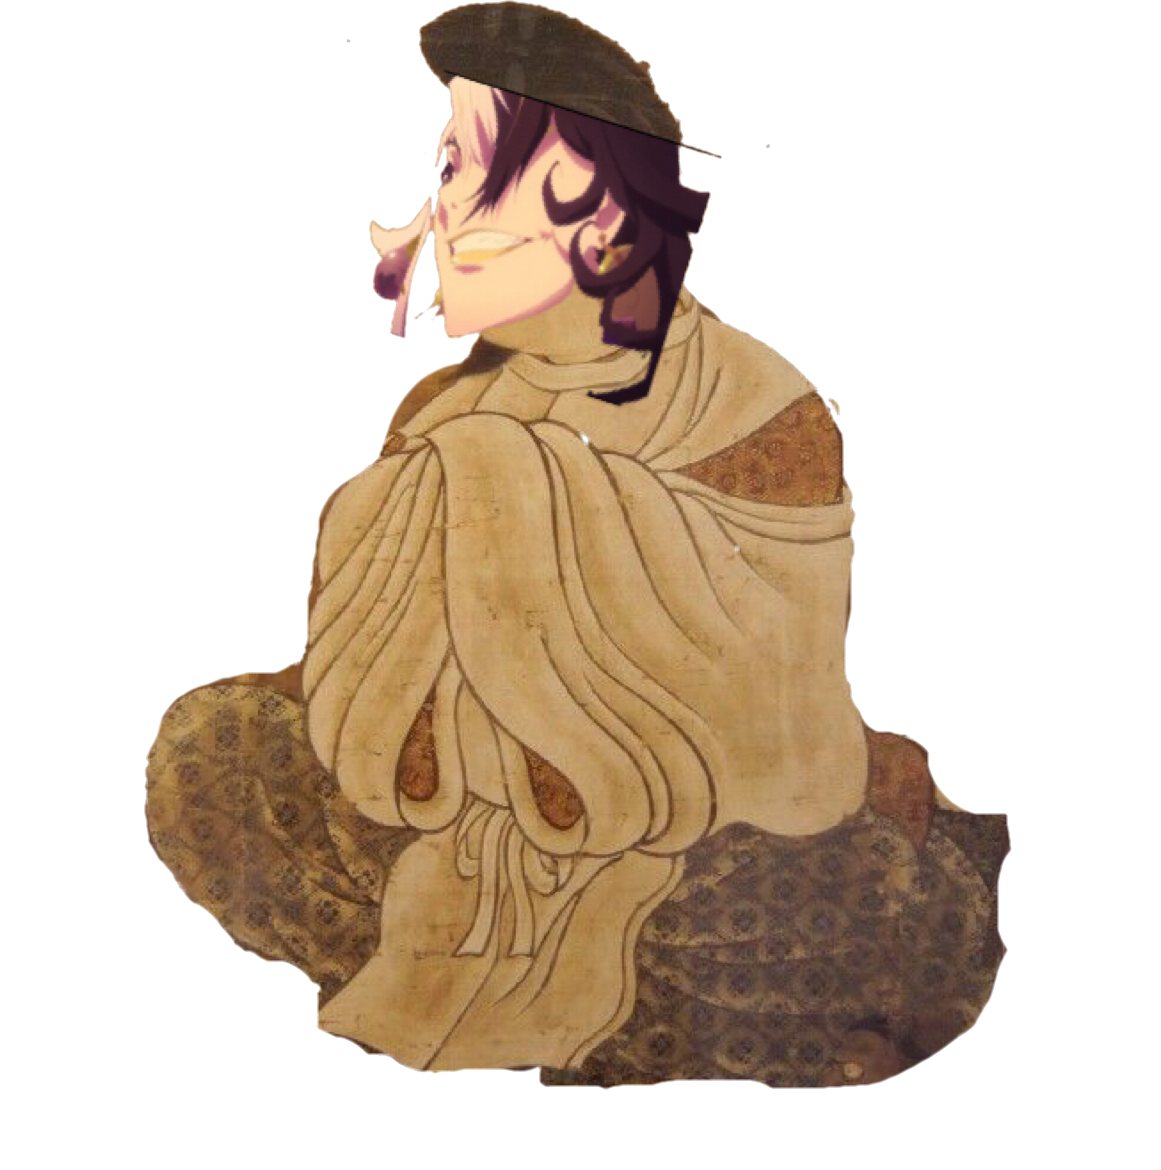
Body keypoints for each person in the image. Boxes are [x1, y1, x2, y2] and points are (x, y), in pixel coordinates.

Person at [147, 2, 1005, 1086]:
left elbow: (778, 704)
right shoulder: (444, 413)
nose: (433, 215)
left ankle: (641, 1009)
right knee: (211, 753)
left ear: (594, 211)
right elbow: (343, 679)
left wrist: (553, 548)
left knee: (878, 916)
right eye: (441, 171)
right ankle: (605, 1007)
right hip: (451, 838)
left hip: (685, 856)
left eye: (462, 173)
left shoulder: (755, 405)